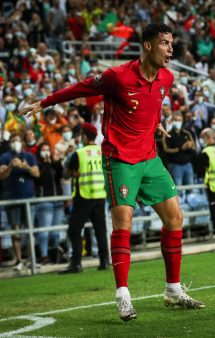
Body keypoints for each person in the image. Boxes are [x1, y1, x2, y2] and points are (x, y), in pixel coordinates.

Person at [21, 23, 204, 322]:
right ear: (147, 46)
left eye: (172, 43)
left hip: (150, 158)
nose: (171, 49)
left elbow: (155, 102)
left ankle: (173, 290)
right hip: (120, 159)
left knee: (175, 218)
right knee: (124, 222)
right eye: (165, 43)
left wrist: (155, 122)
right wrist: (45, 102)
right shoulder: (116, 76)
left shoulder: (166, 78)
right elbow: (79, 87)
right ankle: (123, 296)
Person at [59, 123, 109, 274]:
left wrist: (69, 169)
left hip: (84, 195)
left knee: (74, 230)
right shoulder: (102, 152)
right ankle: (104, 261)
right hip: (100, 194)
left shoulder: (79, 153)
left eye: (81, 135)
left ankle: (76, 264)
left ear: (85, 136)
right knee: (100, 230)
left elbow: (67, 174)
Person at [0, 133, 40, 271]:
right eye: (13, 141)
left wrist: (26, 167)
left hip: (28, 196)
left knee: (30, 228)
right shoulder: (5, 157)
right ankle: (18, 260)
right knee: (15, 229)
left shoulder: (29, 156)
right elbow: (2, 175)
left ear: (22, 142)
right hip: (12, 197)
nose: (16, 143)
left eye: (18, 140)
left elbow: (36, 173)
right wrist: (11, 166)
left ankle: (31, 259)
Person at [35, 142, 64, 264]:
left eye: (48, 149)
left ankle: (55, 253)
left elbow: (61, 175)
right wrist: (45, 165)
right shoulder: (37, 165)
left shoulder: (54, 165)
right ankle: (44, 255)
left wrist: (55, 162)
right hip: (44, 200)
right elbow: (38, 179)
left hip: (58, 200)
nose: (46, 152)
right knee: (44, 230)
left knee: (56, 231)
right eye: (43, 149)